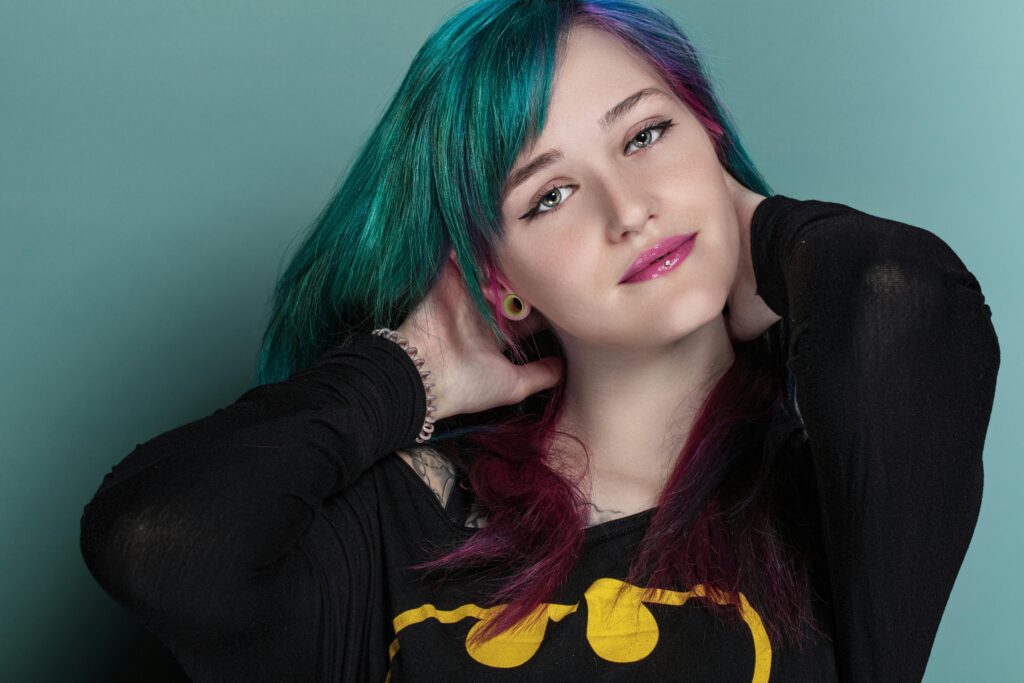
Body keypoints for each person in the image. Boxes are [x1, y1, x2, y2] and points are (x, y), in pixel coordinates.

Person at [78, 0, 1001, 681]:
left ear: (709, 139)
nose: (628, 209)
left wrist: (762, 231)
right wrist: (407, 372)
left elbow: (903, 301)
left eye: (646, 135)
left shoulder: (839, 483)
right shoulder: (416, 521)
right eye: (548, 195)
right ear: (500, 280)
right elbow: (157, 540)